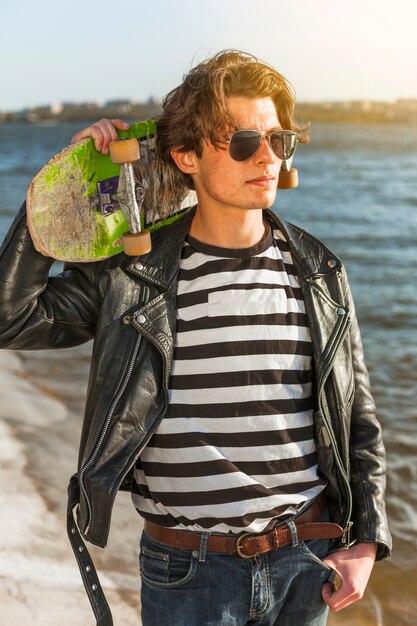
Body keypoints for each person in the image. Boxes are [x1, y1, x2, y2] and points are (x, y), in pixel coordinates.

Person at [0, 50, 391, 625]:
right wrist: (62, 190)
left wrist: (365, 540)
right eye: (241, 142)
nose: (266, 157)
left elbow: (356, 411)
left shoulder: (318, 270)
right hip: (189, 574)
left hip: (308, 562)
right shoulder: (132, 276)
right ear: (186, 155)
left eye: (277, 139)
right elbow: (12, 317)